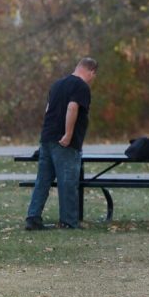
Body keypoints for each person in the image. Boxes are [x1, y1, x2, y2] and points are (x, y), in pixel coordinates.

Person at [25, 57, 98, 230]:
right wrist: (68, 134)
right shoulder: (81, 86)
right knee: (68, 183)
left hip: (47, 138)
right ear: (91, 71)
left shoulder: (57, 84)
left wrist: (47, 134)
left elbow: (47, 110)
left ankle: (33, 218)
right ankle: (68, 221)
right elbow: (72, 107)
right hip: (65, 143)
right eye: (94, 75)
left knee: (42, 181)